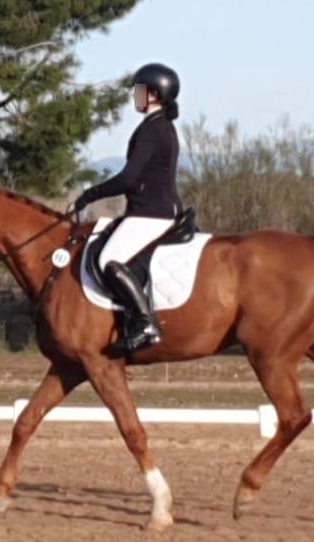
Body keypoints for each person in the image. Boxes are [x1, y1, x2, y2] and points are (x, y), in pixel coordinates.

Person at [74, 62, 183, 352]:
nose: (135, 95)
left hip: (151, 213)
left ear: (155, 94)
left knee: (108, 259)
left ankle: (145, 323)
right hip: (157, 209)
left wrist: (90, 195)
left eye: (139, 90)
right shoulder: (161, 126)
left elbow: (128, 178)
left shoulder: (153, 129)